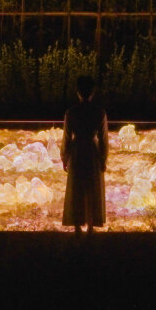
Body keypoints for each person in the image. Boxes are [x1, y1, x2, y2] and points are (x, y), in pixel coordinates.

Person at [62, 75, 108, 233]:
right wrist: (103, 158)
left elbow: (67, 137)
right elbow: (103, 138)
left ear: (78, 92)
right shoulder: (99, 112)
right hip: (92, 150)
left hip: (77, 150)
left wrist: (65, 157)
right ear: (93, 92)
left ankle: (76, 225)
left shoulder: (71, 112)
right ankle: (90, 225)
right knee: (92, 188)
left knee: (77, 187)